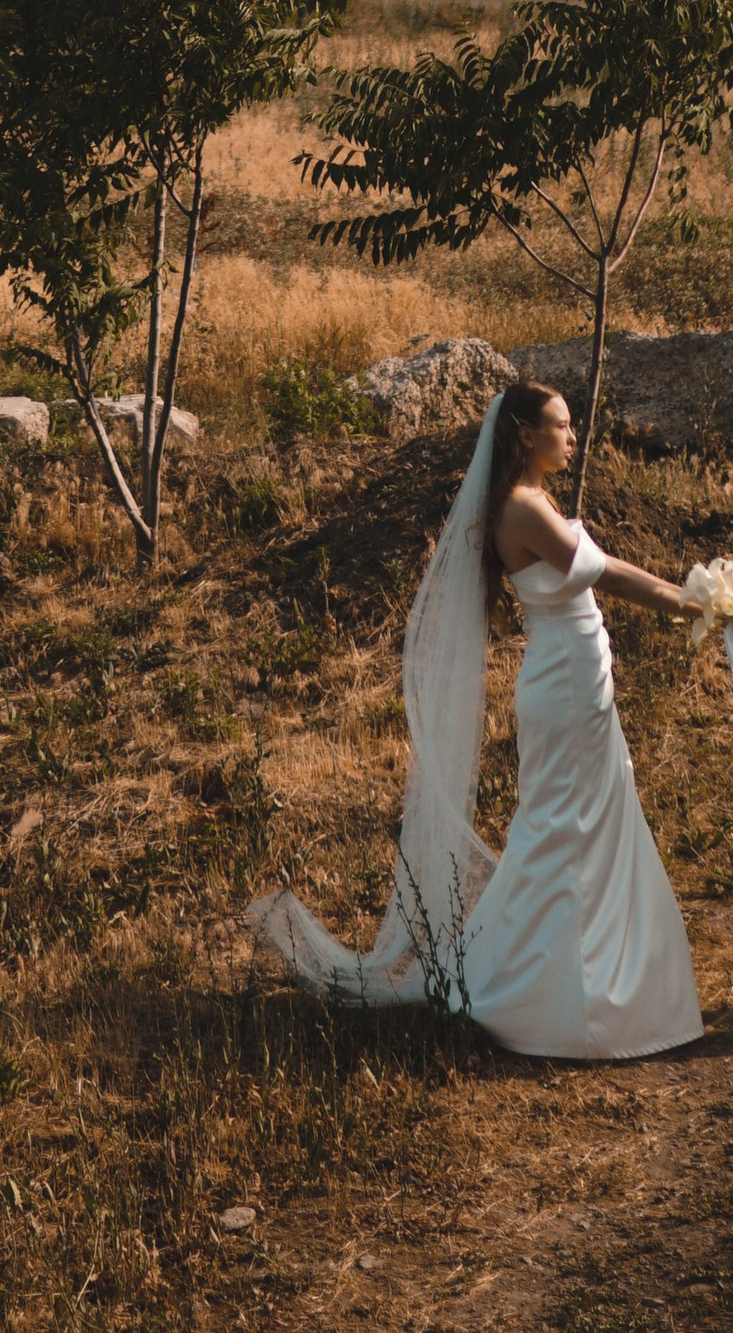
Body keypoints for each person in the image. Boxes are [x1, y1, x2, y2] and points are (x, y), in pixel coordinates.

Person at [249, 381, 705, 1059]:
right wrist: (691, 602)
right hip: (564, 681)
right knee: (565, 824)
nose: (572, 436)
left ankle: (597, 977)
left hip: (580, 676)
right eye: (560, 424)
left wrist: (697, 600)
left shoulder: (536, 500)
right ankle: (554, 995)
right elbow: (604, 573)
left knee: (590, 817)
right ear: (525, 433)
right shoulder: (519, 507)